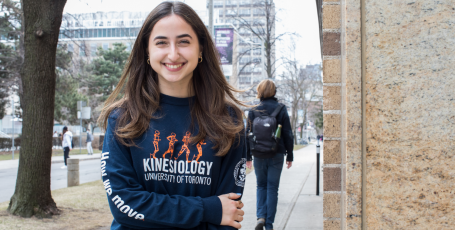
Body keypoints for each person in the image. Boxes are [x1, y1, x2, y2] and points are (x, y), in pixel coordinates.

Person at [97, 2, 247, 229]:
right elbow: (125, 208)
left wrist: (156, 214)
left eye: (184, 42)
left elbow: (228, 215)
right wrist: (207, 209)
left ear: (201, 50)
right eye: (161, 43)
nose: (173, 53)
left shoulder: (229, 121)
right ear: (147, 51)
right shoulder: (122, 119)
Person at [245, 79, 294, 230]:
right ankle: (269, 225)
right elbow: (288, 134)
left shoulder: (254, 109)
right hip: (277, 153)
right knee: (272, 188)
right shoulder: (281, 108)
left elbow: (247, 134)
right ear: (274, 91)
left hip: (258, 154)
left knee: (261, 186)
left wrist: (248, 157)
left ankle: (260, 217)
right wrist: (290, 155)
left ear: (259, 91)